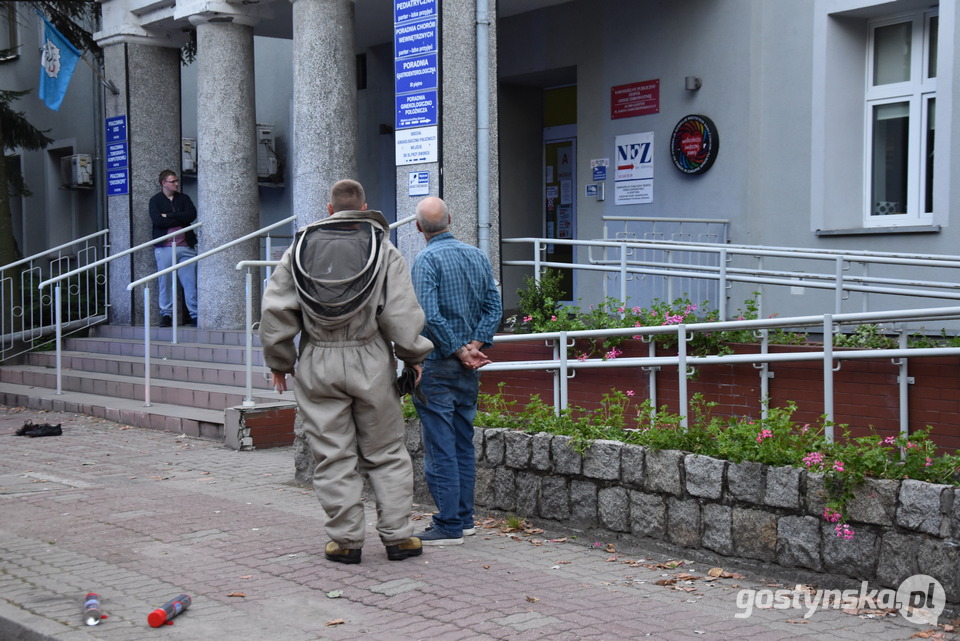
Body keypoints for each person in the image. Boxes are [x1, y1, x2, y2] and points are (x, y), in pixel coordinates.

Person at [259, 179, 433, 564]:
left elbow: (275, 310)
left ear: (329, 209)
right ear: (365, 207)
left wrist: (279, 362)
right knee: (386, 451)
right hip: (371, 358)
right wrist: (413, 356)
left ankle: (346, 541)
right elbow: (401, 313)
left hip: (318, 359)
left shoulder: (299, 249)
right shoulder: (383, 249)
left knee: (333, 455)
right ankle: (399, 537)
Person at [411, 196, 502, 546]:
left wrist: (459, 349)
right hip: (468, 368)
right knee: (463, 443)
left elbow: (428, 316)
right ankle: (464, 520)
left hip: (437, 365)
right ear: (452, 217)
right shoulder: (477, 255)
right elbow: (493, 306)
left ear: (418, 227)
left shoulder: (425, 259)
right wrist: (475, 346)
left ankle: (449, 524)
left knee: (440, 447)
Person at [148, 170, 198, 327]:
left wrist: (168, 216)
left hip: (186, 246)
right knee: (165, 282)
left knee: (190, 282)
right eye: (173, 181)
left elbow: (191, 215)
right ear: (164, 183)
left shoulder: (184, 198)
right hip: (165, 247)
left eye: (177, 181)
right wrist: (176, 218)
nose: (176, 183)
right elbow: (157, 221)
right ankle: (166, 315)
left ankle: (195, 314)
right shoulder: (155, 201)